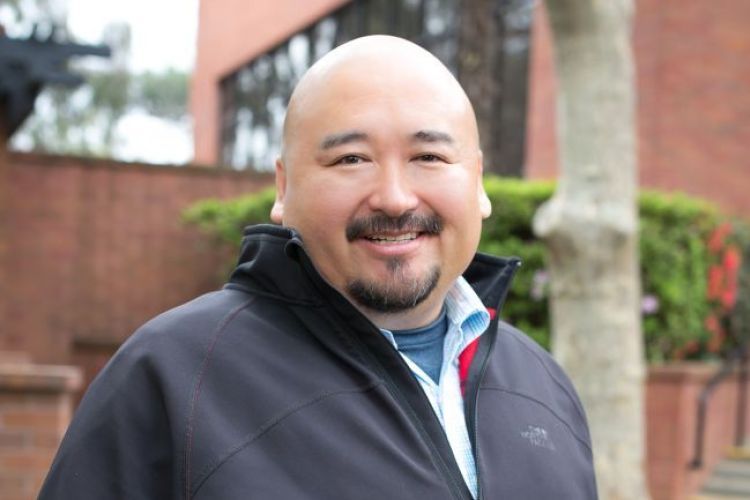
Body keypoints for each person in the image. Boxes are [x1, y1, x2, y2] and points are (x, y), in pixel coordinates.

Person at [40, 35, 597, 499]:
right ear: (283, 188)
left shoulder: (542, 386)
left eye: (429, 156)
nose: (396, 198)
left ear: (476, 182)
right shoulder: (171, 377)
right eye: (351, 159)